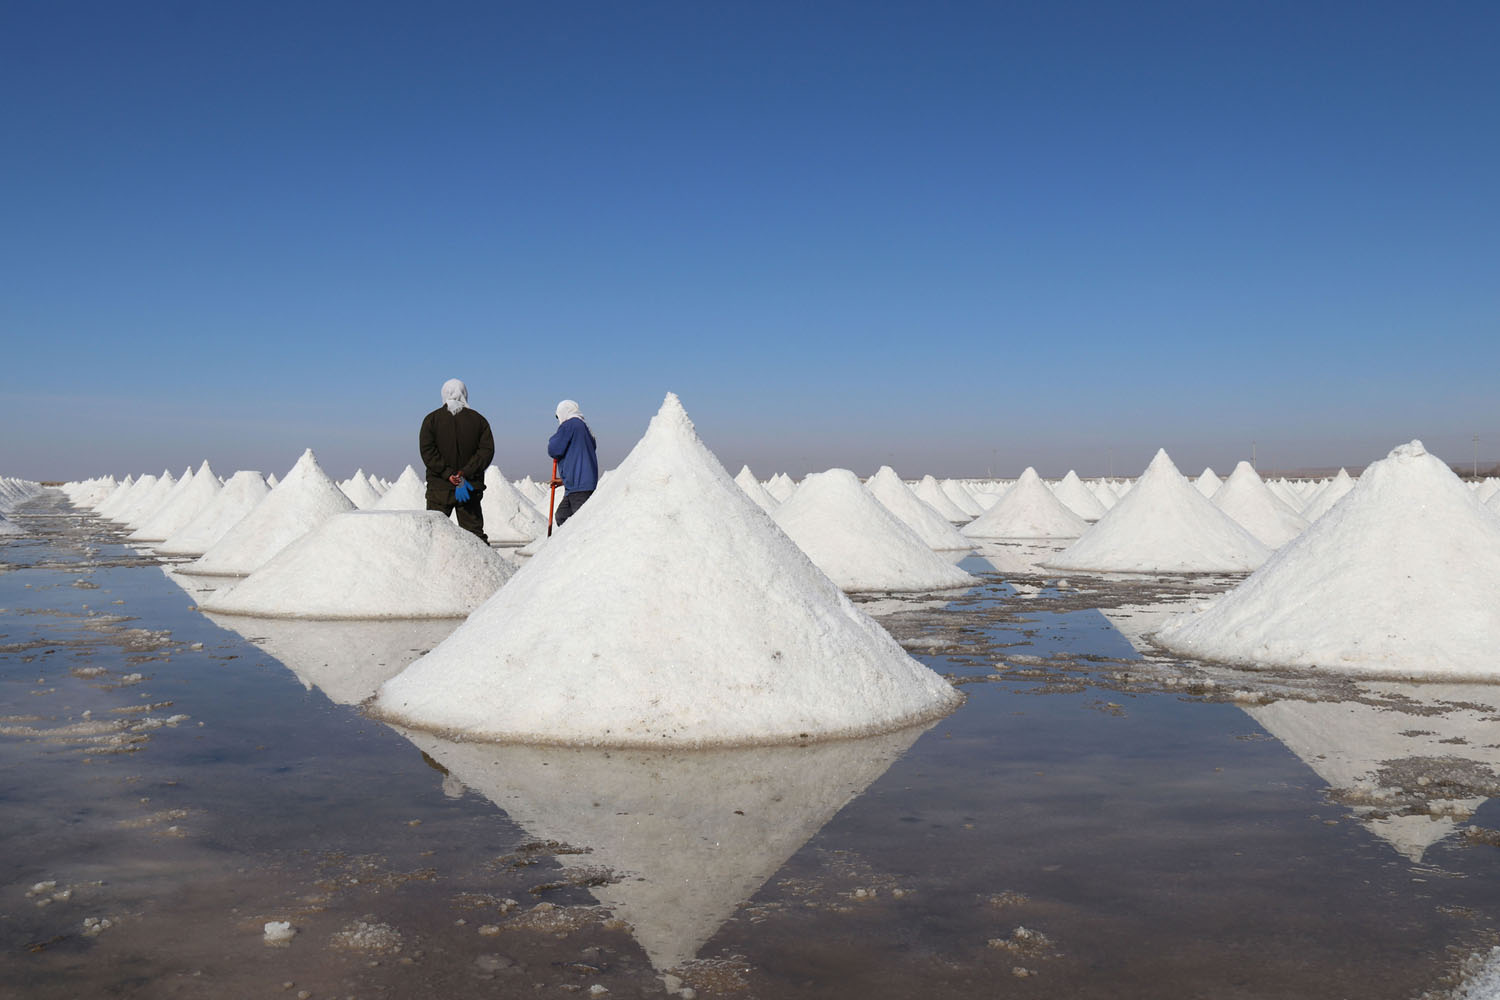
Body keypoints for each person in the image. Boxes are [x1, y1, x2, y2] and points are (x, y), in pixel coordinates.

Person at [419, 378, 494, 542]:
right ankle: (481, 566)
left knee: (434, 536)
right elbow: (486, 452)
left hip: (439, 488)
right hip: (469, 487)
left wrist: (447, 474)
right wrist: (465, 473)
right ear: (465, 394)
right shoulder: (479, 421)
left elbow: (428, 452)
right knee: (474, 536)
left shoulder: (431, 420)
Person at [548, 399, 598, 527]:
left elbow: (554, 448)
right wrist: (563, 480)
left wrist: (554, 438)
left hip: (579, 488)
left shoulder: (570, 424)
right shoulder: (585, 428)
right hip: (577, 485)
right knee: (561, 515)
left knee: (580, 524)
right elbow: (579, 458)